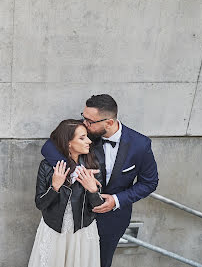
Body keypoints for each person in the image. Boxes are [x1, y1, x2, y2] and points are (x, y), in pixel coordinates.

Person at [41, 94, 159, 267]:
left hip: (112, 219)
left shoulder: (140, 145)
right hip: (78, 215)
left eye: (90, 121)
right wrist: (75, 172)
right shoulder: (83, 133)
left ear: (109, 122)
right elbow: (48, 147)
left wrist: (117, 200)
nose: (85, 123)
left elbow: (149, 182)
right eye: (84, 117)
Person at [28, 119, 105, 267]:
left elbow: (98, 207)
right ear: (68, 143)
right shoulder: (47, 166)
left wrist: (92, 190)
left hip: (82, 233)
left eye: (87, 136)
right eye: (82, 138)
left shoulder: (93, 165)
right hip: (54, 230)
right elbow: (40, 204)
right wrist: (55, 187)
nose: (89, 141)